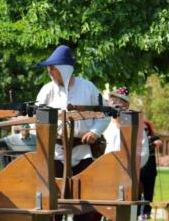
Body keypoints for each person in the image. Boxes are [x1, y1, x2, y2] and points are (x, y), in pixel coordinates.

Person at [35, 45, 109, 221]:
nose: (50, 72)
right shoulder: (47, 90)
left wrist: (94, 131)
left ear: (64, 69)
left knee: (84, 202)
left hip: (82, 151)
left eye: (53, 68)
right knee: (53, 201)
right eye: (49, 69)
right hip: (56, 152)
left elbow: (106, 113)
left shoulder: (88, 87)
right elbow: (35, 117)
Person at [104, 87, 149, 167]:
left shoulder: (136, 127)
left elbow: (143, 152)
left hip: (127, 172)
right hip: (104, 170)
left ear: (127, 105)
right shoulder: (102, 125)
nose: (115, 103)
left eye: (119, 101)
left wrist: (130, 166)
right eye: (112, 100)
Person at [139, 119, 162, 220]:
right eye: (142, 129)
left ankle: (146, 213)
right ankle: (137, 212)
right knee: (137, 192)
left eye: (146, 129)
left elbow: (159, 142)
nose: (144, 131)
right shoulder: (136, 139)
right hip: (138, 171)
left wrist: (155, 143)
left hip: (150, 171)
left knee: (149, 193)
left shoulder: (152, 138)